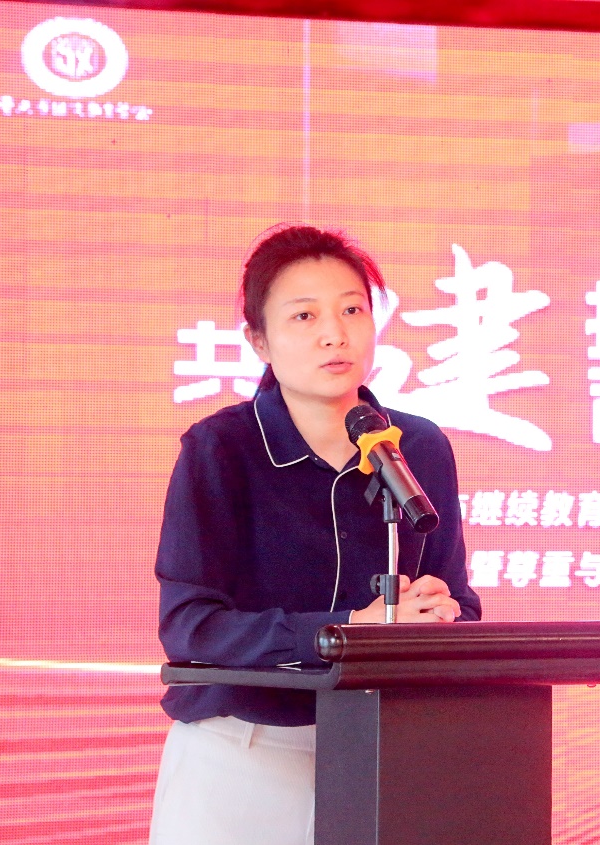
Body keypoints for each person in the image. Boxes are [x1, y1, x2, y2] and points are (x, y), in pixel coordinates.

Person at [149, 224, 481, 845]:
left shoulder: (418, 447)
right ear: (259, 340)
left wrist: (441, 614)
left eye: (353, 310)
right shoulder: (221, 449)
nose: (335, 333)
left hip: (387, 750)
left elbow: (460, 601)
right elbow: (191, 627)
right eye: (304, 316)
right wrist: (349, 628)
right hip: (243, 753)